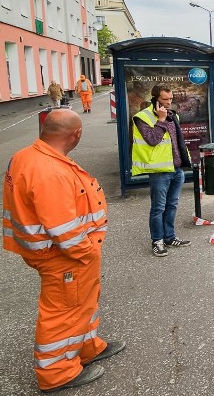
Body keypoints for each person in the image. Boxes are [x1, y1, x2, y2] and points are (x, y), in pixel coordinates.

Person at [3, 108, 125, 392]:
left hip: (52, 252)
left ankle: (87, 347)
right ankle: (57, 372)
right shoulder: (51, 172)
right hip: (64, 256)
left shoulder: (26, 157)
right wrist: (87, 253)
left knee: (81, 302)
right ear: (76, 135)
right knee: (63, 311)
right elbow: (63, 228)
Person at [132, 85, 192, 257]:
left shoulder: (173, 115)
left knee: (172, 205)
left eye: (170, 99)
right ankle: (157, 241)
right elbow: (152, 139)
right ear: (155, 98)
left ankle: (169, 237)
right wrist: (161, 120)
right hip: (159, 171)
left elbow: (177, 141)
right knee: (158, 208)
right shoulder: (142, 117)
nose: (169, 102)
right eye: (165, 99)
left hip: (176, 168)